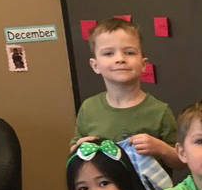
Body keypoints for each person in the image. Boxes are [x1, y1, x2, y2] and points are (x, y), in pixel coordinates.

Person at [70, 18, 180, 172]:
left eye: (129, 52)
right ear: (95, 65)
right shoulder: (89, 108)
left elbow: (181, 162)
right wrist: (81, 147)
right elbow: (74, 153)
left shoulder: (159, 111)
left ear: (143, 64)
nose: (120, 59)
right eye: (108, 53)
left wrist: (160, 148)